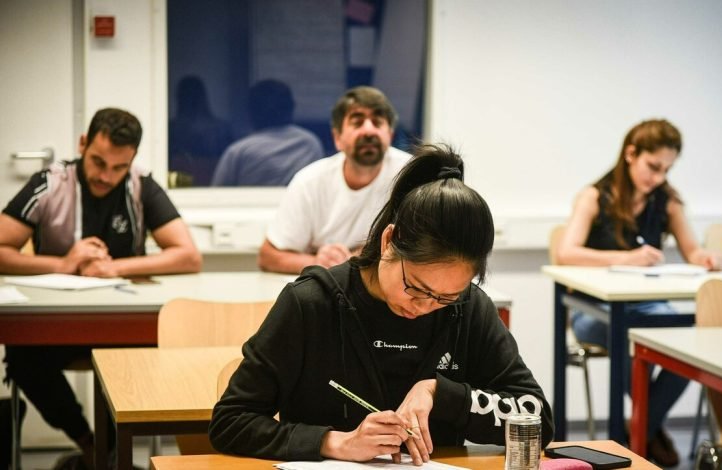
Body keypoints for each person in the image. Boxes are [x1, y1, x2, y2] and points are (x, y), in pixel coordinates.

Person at [209, 144, 554, 465]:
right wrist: (334, 442)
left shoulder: (469, 309)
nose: (424, 306)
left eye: (445, 298)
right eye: (415, 288)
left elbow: (538, 420)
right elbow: (231, 422)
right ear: (389, 241)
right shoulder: (311, 304)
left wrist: (441, 393)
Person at [0, 108, 202, 469]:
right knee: (22, 357)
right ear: (83, 144)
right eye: (98, 162)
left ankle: (111, 456)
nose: (106, 176)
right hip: (57, 323)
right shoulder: (50, 182)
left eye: (119, 167)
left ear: (132, 159)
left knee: (140, 358)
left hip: (120, 323)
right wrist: (64, 265)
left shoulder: (141, 184)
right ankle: (90, 445)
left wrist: (113, 268)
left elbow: (188, 256)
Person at [557, 118, 721, 467]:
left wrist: (705, 258)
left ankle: (638, 430)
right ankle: (649, 431)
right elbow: (566, 253)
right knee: (628, 339)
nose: (658, 178)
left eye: (666, 170)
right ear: (631, 154)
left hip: (646, 306)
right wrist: (626, 258)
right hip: (593, 310)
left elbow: (692, 251)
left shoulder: (668, 201)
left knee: (689, 346)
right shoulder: (593, 196)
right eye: (653, 166)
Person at [257, 86, 411, 274]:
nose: (369, 130)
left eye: (377, 122)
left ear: (390, 135)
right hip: (330, 282)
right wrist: (317, 262)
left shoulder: (411, 174)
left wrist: (362, 257)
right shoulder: (310, 182)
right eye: (357, 122)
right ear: (337, 138)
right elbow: (268, 257)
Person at [211, 79, 324, 186]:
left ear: (252, 111)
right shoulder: (310, 143)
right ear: (291, 107)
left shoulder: (240, 150)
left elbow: (217, 192)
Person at [169, 75, 232, 186]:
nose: (190, 101)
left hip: (215, 182)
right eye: (187, 97)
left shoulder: (220, 129)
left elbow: (228, 163)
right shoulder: (172, 128)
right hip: (180, 181)